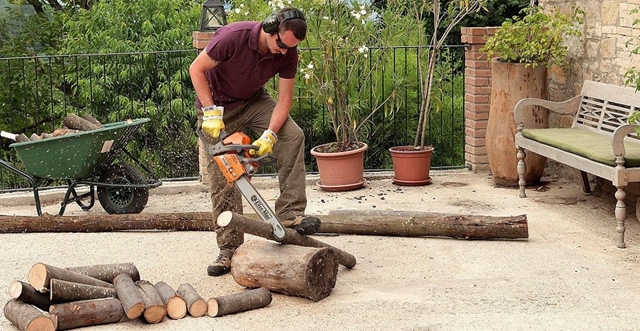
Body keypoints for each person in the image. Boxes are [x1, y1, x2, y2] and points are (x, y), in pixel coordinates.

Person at [189, 7, 320, 277]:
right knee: (223, 174)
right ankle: (228, 249)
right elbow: (196, 69)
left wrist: (270, 134)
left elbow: (284, 100)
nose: (284, 52)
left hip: (253, 100)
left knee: (292, 135)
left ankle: (290, 213)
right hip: (217, 104)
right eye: (281, 44)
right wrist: (211, 112)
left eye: (290, 48)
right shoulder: (232, 37)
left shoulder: (288, 52)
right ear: (270, 28)